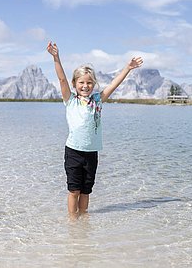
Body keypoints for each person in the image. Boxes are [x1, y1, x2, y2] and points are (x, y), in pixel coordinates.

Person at [47, 41, 143, 218]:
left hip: (91, 153)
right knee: (74, 191)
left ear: (94, 84)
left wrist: (128, 68)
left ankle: (84, 220)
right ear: (75, 84)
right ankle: (73, 223)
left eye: (89, 83)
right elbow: (61, 78)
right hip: (73, 152)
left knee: (86, 191)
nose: (85, 86)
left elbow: (114, 84)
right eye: (81, 82)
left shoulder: (97, 100)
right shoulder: (70, 100)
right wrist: (56, 57)